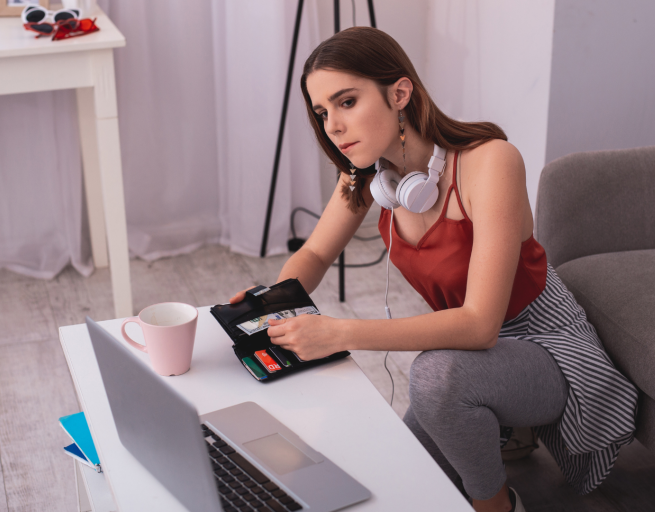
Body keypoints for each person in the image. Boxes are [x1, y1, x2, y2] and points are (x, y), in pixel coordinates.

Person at [230, 27, 638, 512]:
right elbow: (316, 255)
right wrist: (272, 301)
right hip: (471, 358)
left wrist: (339, 332)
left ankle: (497, 506)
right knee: (401, 481)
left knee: (434, 376)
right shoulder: (369, 179)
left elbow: (481, 325)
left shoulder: (490, 163)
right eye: (322, 112)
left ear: (399, 93)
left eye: (346, 102)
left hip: (548, 348)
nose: (332, 126)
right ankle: (497, 432)